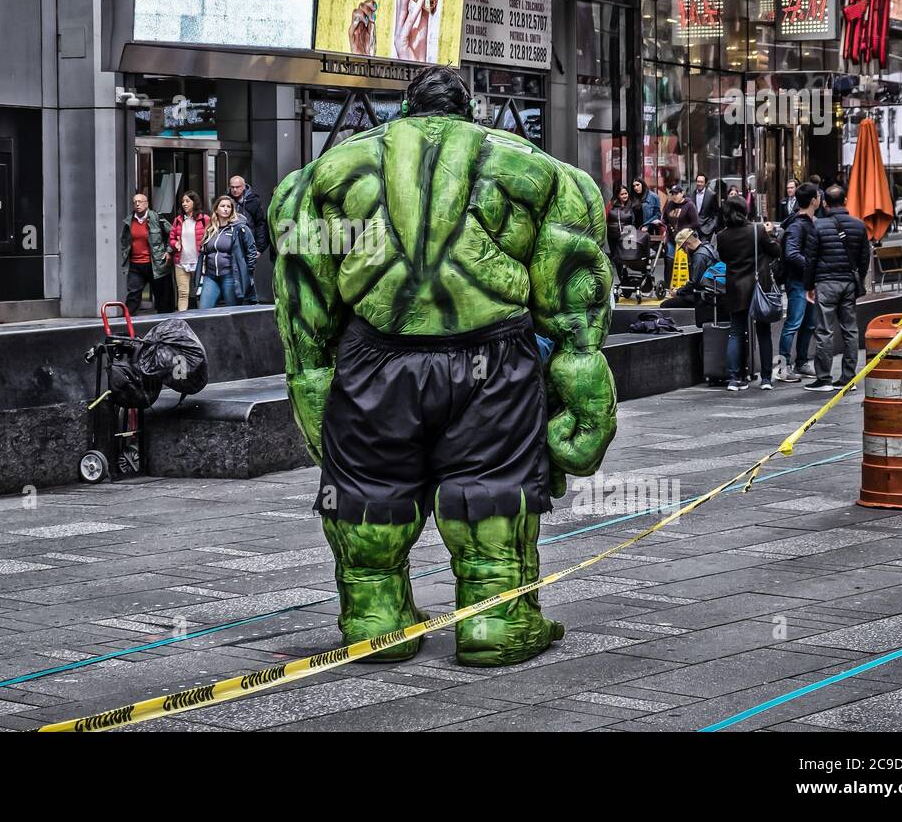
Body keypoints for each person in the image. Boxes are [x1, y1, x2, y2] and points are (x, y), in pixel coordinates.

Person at [271, 65, 616, 667]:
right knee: (491, 484)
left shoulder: (325, 175)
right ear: (469, 110)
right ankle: (495, 623)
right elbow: (572, 298)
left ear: (405, 109)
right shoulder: (537, 171)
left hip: (376, 358)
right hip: (491, 359)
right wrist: (585, 393)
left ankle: (375, 622)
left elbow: (305, 309)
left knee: (368, 489)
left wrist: (312, 387)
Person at [803, 184, 872, 392]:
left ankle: (823, 378)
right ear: (845, 201)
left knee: (824, 330)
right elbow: (864, 258)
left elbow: (810, 259)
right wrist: (857, 277)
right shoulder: (859, 226)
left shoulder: (818, 226)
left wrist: (809, 285)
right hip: (849, 283)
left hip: (826, 283)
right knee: (850, 330)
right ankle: (848, 378)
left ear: (825, 203)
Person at [716, 195, 781, 391]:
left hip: (735, 287)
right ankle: (766, 379)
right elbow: (775, 251)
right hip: (758, 287)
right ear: (745, 211)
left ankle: (735, 378)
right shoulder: (757, 230)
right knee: (764, 333)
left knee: (736, 332)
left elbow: (724, 259)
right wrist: (772, 234)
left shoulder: (722, 236)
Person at [776, 181, 819, 382]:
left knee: (809, 323)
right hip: (798, 282)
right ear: (813, 200)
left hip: (808, 282)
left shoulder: (809, 222)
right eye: (818, 195)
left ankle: (801, 362)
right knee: (793, 322)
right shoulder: (797, 225)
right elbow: (791, 253)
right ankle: (783, 367)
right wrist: (811, 266)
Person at [196, 194, 258, 308]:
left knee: (232, 311)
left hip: (231, 276)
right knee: (203, 309)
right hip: (211, 276)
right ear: (216, 209)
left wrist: (245, 272)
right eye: (222, 206)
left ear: (232, 209)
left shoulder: (240, 227)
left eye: (229, 206)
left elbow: (252, 251)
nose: (225, 209)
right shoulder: (211, 229)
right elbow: (204, 251)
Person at [120, 192, 171, 315]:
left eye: (140, 201)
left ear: (146, 203)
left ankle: (164, 326)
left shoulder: (157, 218)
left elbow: (172, 234)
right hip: (136, 265)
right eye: (135, 202)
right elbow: (124, 241)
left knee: (161, 299)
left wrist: (168, 251)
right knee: (133, 296)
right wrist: (125, 255)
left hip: (156, 264)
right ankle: (125, 326)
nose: (137, 204)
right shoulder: (129, 221)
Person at [659, 227, 719, 324]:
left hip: (704, 296)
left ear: (687, 244)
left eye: (683, 248)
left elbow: (693, 283)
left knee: (665, 305)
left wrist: (678, 292)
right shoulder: (708, 247)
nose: (684, 251)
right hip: (712, 291)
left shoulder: (699, 256)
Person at [228, 175, 270, 302]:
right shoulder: (227, 201)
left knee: (246, 276)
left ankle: (249, 302)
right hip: (230, 246)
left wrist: (260, 249)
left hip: (247, 246)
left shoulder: (253, 201)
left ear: (244, 186)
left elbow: (261, 225)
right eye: (232, 187)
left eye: (237, 187)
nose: (234, 190)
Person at [169, 190, 208, 312]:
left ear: (194, 202)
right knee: (183, 293)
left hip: (198, 262)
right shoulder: (178, 220)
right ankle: (182, 320)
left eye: (187, 201)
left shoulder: (204, 219)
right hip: (181, 262)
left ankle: (199, 319)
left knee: (196, 293)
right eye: (182, 202)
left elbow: (211, 236)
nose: (184, 204)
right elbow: (171, 238)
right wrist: (175, 244)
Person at [661, 184, 699, 287]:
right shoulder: (669, 205)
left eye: (676, 193)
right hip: (671, 238)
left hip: (685, 239)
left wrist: (683, 230)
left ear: (682, 193)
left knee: (687, 262)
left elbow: (695, 223)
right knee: (669, 260)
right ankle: (668, 286)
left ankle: (689, 285)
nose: (674, 196)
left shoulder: (689, 205)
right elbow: (664, 219)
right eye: (672, 194)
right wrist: (663, 225)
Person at [606, 184, 639, 264]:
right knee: (616, 258)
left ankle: (625, 275)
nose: (625, 196)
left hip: (628, 235)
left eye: (626, 193)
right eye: (622, 194)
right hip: (612, 235)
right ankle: (621, 276)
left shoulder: (633, 205)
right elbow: (606, 217)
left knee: (626, 258)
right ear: (617, 195)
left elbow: (636, 221)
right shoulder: (611, 205)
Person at [691, 173, 720, 238]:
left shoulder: (711, 195)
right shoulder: (692, 194)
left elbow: (716, 212)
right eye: (698, 181)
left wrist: (713, 225)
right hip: (694, 230)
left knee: (705, 247)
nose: (699, 184)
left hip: (707, 229)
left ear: (705, 183)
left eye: (701, 182)